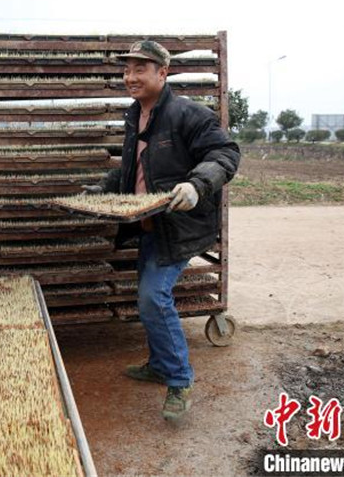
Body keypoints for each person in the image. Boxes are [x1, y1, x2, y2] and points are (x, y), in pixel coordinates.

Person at [91, 40, 240, 420]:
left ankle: (179, 380)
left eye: (140, 69)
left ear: (163, 73)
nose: (130, 76)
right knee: (149, 297)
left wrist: (197, 185)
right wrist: (101, 190)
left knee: (153, 297)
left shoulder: (188, 114)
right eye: (127, 70)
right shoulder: (136, 116)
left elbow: (225, 154)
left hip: (178, 225)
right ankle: (160, 365)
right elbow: (134, 170)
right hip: (149, 224)